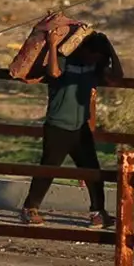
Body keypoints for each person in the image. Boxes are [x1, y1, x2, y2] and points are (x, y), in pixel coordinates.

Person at [22, 26, 119, 226]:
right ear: (85, 49)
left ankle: (98, 213)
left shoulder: (94, 67)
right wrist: (52, 45)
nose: (94, 59)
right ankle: (29, 208)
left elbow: (118, 76)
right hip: (58, 126)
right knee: (48, 169)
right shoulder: (64, 60)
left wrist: (111, 49)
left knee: (93, 171)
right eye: (93, 55)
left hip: (80, 127)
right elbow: (53, 72)